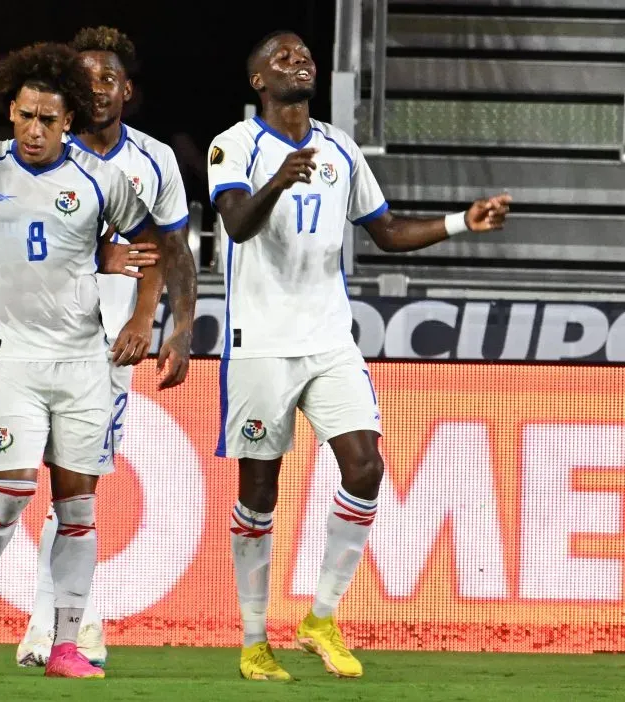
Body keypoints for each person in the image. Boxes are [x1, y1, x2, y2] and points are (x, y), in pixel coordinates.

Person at [207, 30, 511, 682]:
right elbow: (235, 224)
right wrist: (279, 182)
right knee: (259, 493)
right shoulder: (234, 145)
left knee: (366, 466)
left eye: (304, 54)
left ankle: (320, 616)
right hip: (259, 345)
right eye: (282, 57)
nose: (300, 61)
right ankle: (256, 640)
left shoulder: (340, 146)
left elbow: (388, 230)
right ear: (258, 80)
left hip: (329, 341)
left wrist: (462, 221)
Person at [0, 41, 167, 680]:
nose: (35, 130)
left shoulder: (102, 181)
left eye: (48, 119)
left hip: (83, 364)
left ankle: (66, 643)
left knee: (78, 508)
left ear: (68, 120)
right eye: (24, 117)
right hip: (15, 358)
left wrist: (139, 317)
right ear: (10, 112)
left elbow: (151, 241)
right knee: (11, 493)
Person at [16, 25, 198, 669]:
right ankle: (51, 620)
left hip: (110, 352)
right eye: (85, 76)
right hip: (31, 344)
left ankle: (60, 625)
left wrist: (176, 325)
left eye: (108, 77)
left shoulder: (153, 162)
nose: (97, 87)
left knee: (77, 487)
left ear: (129, 90)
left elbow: (173, 250)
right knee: (22, 488)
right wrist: (101, 252)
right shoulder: (34, 154)